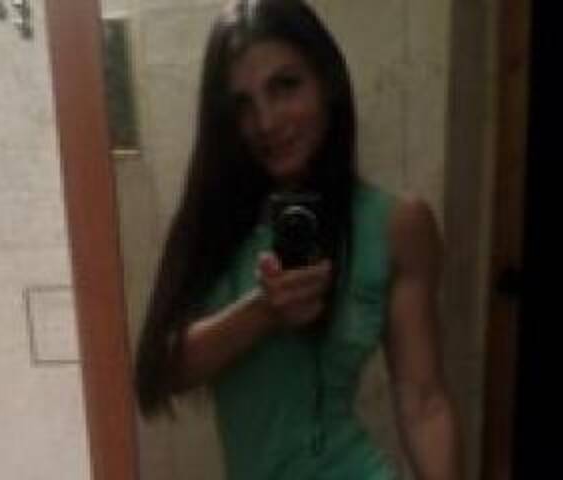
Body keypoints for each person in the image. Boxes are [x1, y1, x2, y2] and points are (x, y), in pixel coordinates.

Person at [135, 0, 463, 479]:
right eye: (242, 104)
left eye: (285, 86)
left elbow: (424, 401)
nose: (266, 122)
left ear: (327, 82)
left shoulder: (397, 225)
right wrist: (263, 311)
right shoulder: (214, 221)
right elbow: (160, 374)